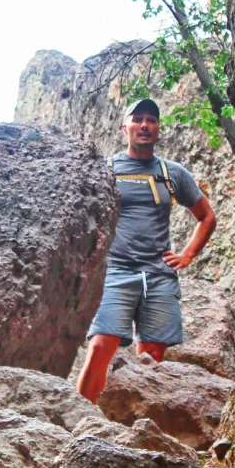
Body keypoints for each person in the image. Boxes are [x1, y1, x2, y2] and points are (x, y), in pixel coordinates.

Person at [76, 98, 217, 404]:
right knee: (101, 345)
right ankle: (75, 422)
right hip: (115, 270)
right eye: (137, 118)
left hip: (157, 275)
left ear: (158, 129)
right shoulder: (104, 170)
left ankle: (135, 431)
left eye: (151, 120)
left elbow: (207, 217)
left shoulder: (172, 173)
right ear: (123, 127)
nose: (144, 125)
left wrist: (187, 255)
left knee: (152, 357)